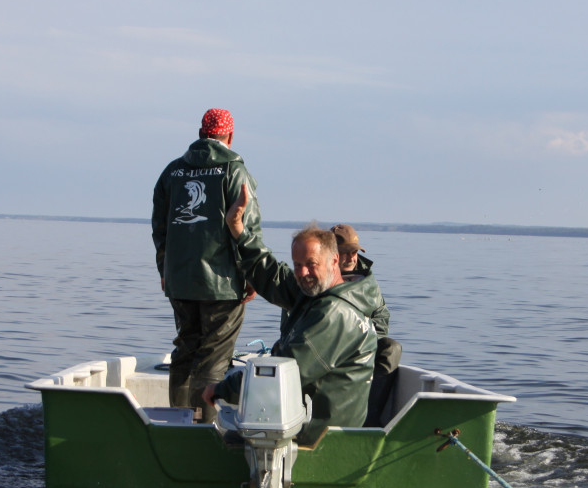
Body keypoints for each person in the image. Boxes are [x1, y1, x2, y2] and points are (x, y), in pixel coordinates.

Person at [202, 186, 379, 445]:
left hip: (322, 440)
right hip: (301, 420)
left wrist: (222, 389)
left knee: (223, 443)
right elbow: (273, 276)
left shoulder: (336, 313)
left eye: (311, 264)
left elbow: (283, 373)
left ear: (334, 261)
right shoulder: (317, 293)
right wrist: (239, 231)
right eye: (298, 265)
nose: (303, 273)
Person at [152, 108, 262, 421]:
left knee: (185, 349)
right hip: (223, 286)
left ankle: (178, 419)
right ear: (230, 135)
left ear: (202, 134)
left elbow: (159, 227)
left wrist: (165, 270)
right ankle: (203, 427)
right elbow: (246, 226)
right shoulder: (233, 171)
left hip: (180, 281)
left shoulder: (172, 172)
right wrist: (253, 275)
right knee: (214, 357)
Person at [330, 224, 401, 425]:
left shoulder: (367, 280)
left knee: (391, 348)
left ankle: (368, 420)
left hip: (362, 346)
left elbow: (381, 316)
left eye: (354, 252)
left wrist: (363, 341)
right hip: (324, 349)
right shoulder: (314, 277)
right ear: (331, 254)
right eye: (344, 253)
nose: (351, 258)